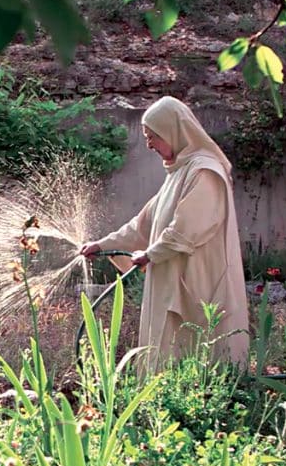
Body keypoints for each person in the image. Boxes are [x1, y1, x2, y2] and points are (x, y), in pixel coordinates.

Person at [79, 96, 248, 372]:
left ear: (173, 131)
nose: (148, 144)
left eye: (152, 136)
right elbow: (142, 226)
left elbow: (186, 229)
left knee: (199, 355)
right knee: (168, 356)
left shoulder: (205, 172)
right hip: (170, 280)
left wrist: (149, 254)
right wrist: (102, 245)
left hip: (198, 285)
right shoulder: (179, 173)